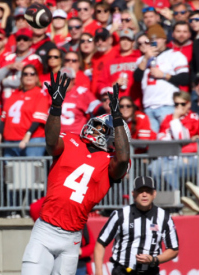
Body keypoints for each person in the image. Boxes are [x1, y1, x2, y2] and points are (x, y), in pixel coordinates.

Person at [20, 70, 130, 275]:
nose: (95, 129)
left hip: (72, 238)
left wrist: (117, 118)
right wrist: (55, 107)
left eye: (102, 128)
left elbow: (123, 158)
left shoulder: (110, 163)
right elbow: (51, 141)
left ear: (114, 138)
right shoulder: (71, 140)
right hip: (45, 229)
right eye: (96, 124)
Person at [94, 176, 179, 275]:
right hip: (123, 271)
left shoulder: (164, 217)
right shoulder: (120, 215)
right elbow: (101, 243)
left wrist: (154, 260)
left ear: (154, 194)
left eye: (148, 191)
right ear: (133, 194)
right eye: (140, 191)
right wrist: (99, 271)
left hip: (150, 271)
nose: (144, 195)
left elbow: (173, 249)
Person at [134, 24, 189, 133]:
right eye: (151, 39)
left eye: (157, 38)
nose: (155, 42)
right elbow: (136, 77)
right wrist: (146, 58)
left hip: (167, 104)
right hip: (149, 107)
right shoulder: (142, 59)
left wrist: (164, 75)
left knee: (167, 141)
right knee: (151, 144)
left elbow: (185, 78)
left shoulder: (174, 55)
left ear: (164, 39)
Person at [0, 64, 50, 157]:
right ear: (21, 77)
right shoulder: (14, 95)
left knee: (31, 169)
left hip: (32, 140)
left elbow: (38, 119)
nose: (28, 76)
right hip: (10, 139)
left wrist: (27, 135)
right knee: (11, 170)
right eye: (25, 74)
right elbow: (4, 118)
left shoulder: (40, 94)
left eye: (32, 74)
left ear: (37, 77)